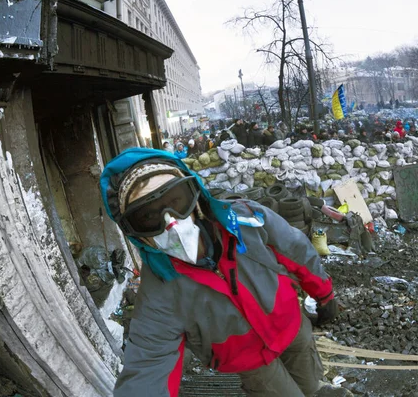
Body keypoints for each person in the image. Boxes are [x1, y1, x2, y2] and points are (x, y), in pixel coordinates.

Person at [100, 148, 337, 396]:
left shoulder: (247, 221)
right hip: (250, 362)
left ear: (195, 196)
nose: (171, 222)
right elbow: (147, 365)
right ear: (136, 232)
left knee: (310, 387)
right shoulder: (160, 290)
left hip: (291, 326)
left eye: (176, 200)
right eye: (148, 216)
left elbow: (296, 250)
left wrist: (324, 293)